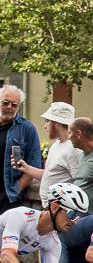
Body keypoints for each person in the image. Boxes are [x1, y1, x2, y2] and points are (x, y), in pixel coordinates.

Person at [11, 101, 82, 204]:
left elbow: (79, 182)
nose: (45, 126)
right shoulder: (55, 145)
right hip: (50, 207)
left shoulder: (73, 149)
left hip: (62, 208)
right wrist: (25, 168)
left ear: (57, 124)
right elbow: (49, 174)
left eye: (47, 121)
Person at [1, 85, 43, 213]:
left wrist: (16, 190)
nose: (9, 107)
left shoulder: (27, 129)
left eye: (14, 105)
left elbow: (34, 164)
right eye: (5, 103)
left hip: (7, 197)